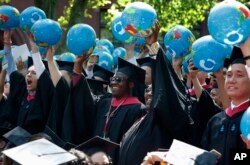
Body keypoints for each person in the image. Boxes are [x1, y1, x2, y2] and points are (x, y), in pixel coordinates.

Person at [201, 36, 250, 164]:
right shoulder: (215, 121)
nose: (231, 80)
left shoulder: (248, 118)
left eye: (239, 75)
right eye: (228, 75)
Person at [1, 30, 54, 134]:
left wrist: (34, 49)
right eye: (28, 72)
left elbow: (42, 72)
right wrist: (7, 42)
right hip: (15, 141)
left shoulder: (44, 96)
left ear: (41, 79)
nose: (28, 75)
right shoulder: (22, 92)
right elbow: (11, 68)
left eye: (34, 73)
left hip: (35, 143)